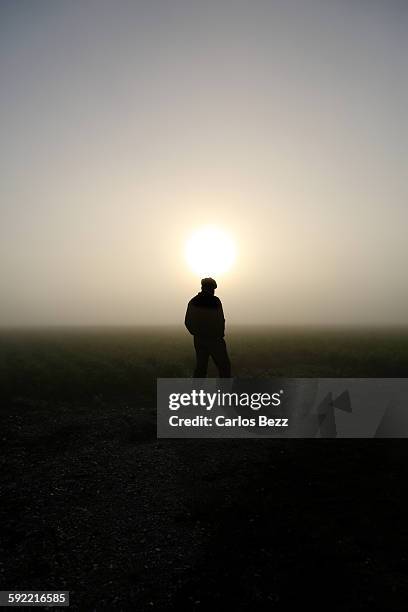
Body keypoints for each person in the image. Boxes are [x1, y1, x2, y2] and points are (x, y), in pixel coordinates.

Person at [185, 277, 231, 377]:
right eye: (212, 288)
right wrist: (219, 334)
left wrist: (197, 333)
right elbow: (221, 319)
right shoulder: (215, 301)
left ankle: (196, 392)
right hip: (215, 340)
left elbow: (188, 322)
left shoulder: (193, 302)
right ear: (208, 288)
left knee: (201, 369)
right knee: (224, 368)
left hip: (200, 340)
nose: (213, 291)